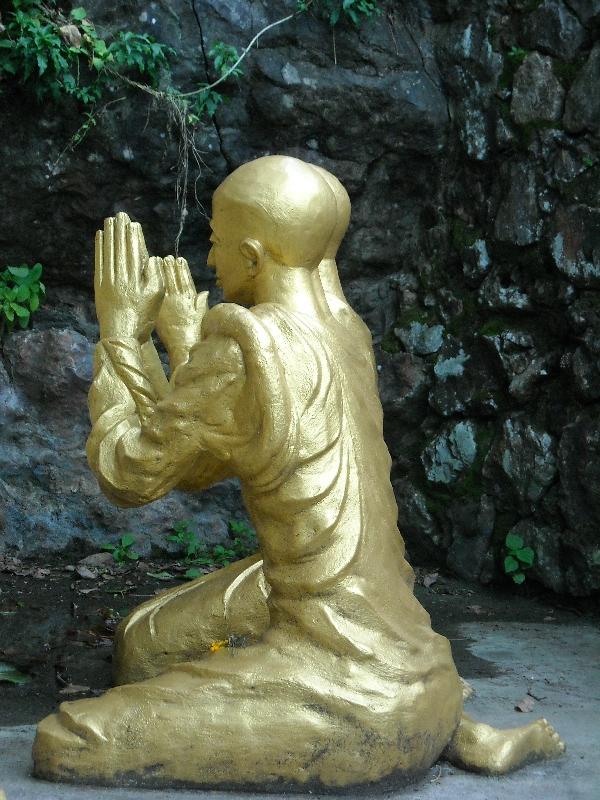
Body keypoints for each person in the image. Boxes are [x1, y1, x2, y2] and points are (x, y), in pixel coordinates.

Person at [33, 156, 564, 789]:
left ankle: (416, 730)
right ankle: (444, 717)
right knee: (143, 645)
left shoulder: (242, 349)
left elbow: (129, 472)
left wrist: (121, 329)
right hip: (411, 652)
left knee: (64, 741)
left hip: (356, 692)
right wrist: (183, 345)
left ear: (254, 260)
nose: (208, 262)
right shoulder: (346, 330)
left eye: (217, 244)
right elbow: (208, 449)